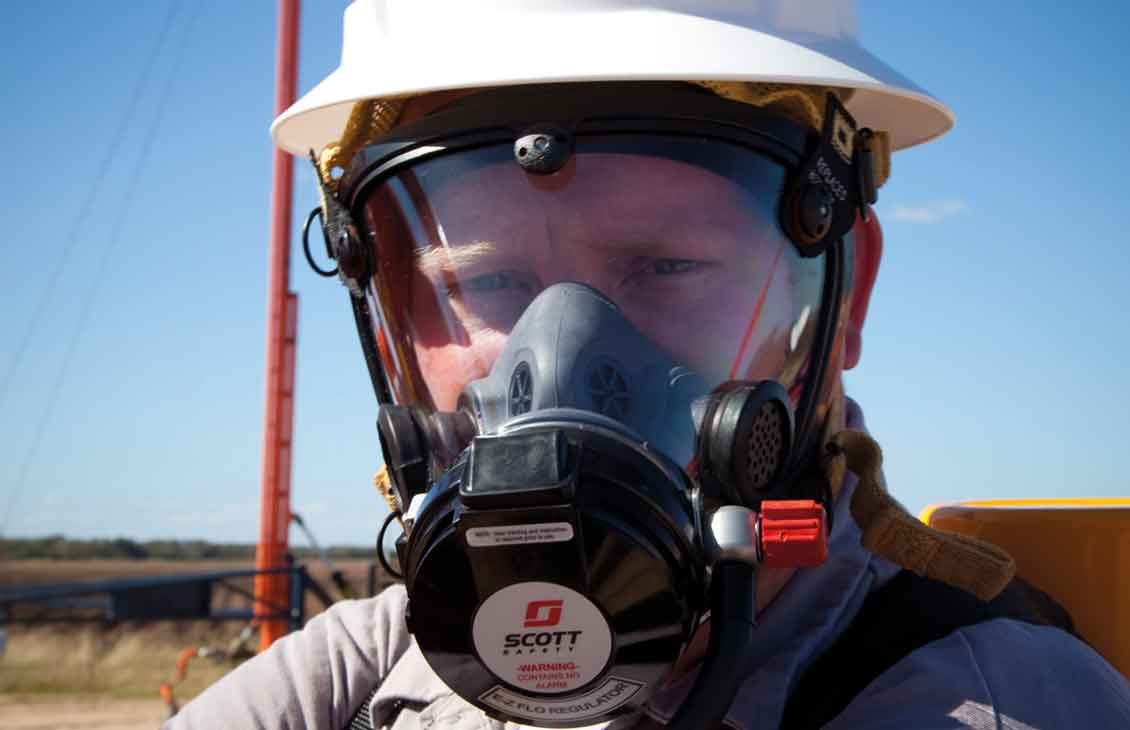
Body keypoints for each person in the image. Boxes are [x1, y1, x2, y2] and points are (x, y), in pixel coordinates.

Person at [168, 1, 1130, 728]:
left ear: (844, 301)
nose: (559, 359)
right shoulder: (368, 669)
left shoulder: (984, 698)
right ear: (391, 318)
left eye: (666, 266)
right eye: (488, 279)